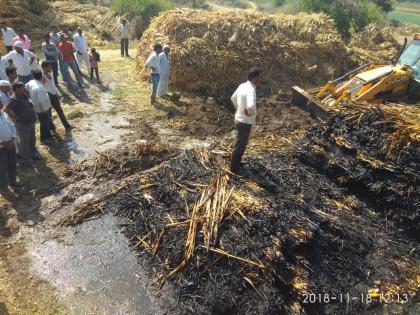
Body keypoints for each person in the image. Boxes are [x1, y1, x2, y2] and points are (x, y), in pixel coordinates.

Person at [230, 67, 262, 173]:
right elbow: (251, 106)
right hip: (245, 122)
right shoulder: (251, 90)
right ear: (255, 78)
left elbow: (233, 98)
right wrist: (250, 113)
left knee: (242, 143)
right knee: (240, 144)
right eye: (259, 77)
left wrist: (239, 109)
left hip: (238, 119)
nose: (260, 79)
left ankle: (237, 162)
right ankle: (234, 167)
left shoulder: (242, 85)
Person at [4, 82, 38, 166]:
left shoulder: (24, 95)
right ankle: (26, 160)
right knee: (24, 142)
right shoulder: (14, 99)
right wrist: (15, 117)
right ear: (17, 89)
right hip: (22, 124)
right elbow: (6, 109)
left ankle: (32, 154)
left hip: (30, 122)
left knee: (32, 139)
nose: (24, 89)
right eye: (22, 88)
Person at [41, 61, 72, 131]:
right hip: (48, 96)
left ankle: (67, 126)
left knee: (60, 111)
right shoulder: (43, 77)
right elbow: (42, 88)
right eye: (49, 67)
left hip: (54, 95)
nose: (51, 68)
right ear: (45, 67)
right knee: (49, 114)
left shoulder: (49, 74)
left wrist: (56, 94)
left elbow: (52, 86)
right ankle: (52, 128)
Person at [25, 71, 53, 144]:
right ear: (41, 76)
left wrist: (29, 97)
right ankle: (44, 139)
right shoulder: (39, 88)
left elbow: (26, 88)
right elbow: (41, 101)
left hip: (37, 107)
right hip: (44, 109)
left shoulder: (31, 82)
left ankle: (48, 136)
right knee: (44, 124)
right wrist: (44, 110)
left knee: (45, 123)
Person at [0, 106, 17, 194]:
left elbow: (12, 126)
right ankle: (4, 188)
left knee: (12, 162)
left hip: (10, 143)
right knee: (2, 168)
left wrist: (12, 138)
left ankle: (13, 181)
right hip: (1, 147)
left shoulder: (4, 114)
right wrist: (3, 143)